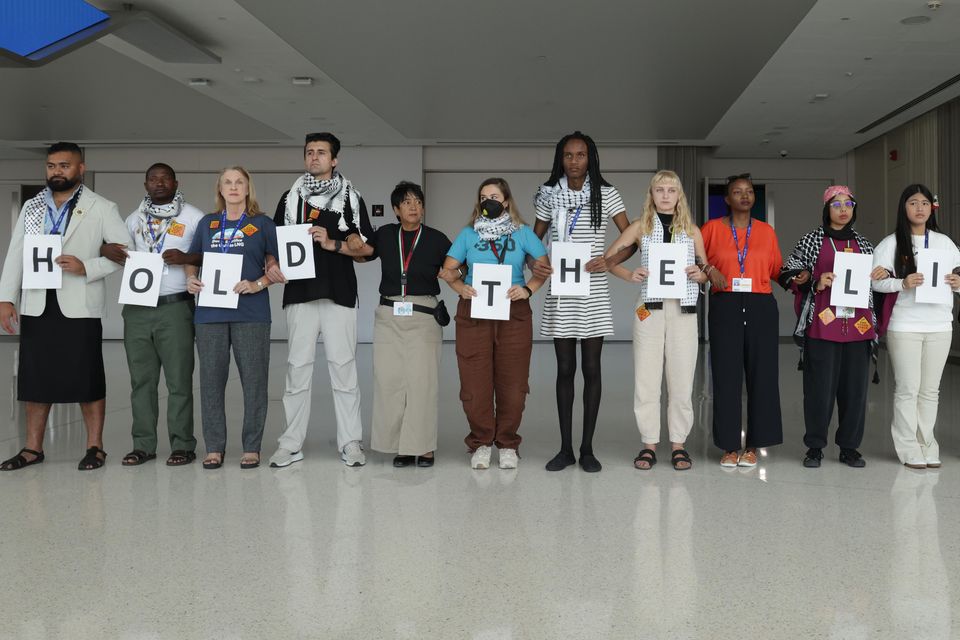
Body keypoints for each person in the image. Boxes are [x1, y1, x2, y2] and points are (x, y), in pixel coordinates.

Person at [0, 142, 129, 471]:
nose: (57, 171)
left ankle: (95, 447)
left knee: (87, 376)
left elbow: (125, 252)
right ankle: (32, 448)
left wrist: (87, 266)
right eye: (51, 166)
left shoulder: (101, 207)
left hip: (79, 305)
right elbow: (16, 253)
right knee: (35, 377)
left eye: (64, 165)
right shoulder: (32, 208)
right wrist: (6, 298)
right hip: (38, 303)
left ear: (80, 169)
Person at [265, 132, 374, 468]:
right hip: (299, 293)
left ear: (334, 160)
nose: (314, 157)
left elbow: (368, 250)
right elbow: (273, 242)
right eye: (309, 152)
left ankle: (351, 443)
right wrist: (271, 264)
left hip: (339, 294)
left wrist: (333, 244)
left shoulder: (352, 198)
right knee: (297, 369)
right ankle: (290, 444)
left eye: (322, 153)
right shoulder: (290, 198)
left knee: (344, 369)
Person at [532, 131, 631, 473]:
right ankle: (565, 449)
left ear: (591, 158)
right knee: (564, 370)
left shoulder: (607, 193)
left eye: (581, 155)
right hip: (561, 289)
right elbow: (535, 239)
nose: (574, 161)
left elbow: (630, 236)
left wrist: (612, 259)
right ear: (560, 159)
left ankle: (587, 448)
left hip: (593, 289)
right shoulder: (548, 194)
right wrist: (534, 262)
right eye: (568, 155)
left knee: (592, 369)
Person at [99, 163, 205, 467]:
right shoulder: (133, 219)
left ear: (175, 182)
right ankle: (143, 445)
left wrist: (187, 258)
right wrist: (106, 249)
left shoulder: (193, 217)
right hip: (137, 309)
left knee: (179, 381)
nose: (159, 183)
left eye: (165, 179)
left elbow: (211, 252)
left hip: (175, 306)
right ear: (145, 185)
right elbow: (118, 251)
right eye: (153, 180)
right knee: (141, 381)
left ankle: (183, 445)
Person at [443, 178, 549, 470]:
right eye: (482, 196)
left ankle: (507, 443)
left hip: (513, 312)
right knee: (474, 383)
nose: (487, 200)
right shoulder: (468, 234)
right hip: (474, 311)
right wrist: (459, 287)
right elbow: (449, 270)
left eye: (493, 195)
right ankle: (480, 442)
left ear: (505, 201)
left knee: (513, 383)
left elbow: (544, 269)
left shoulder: (524, 233)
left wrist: (528, 289)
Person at [605, 171, 708, 470]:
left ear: (679, 196)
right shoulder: (640, 227)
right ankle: (649, 443)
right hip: (648, 310)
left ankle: (678, 444)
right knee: (647, 380)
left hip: (683, 309)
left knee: (681, 378)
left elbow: (705, 269)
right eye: (659, 190)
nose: (665, 195)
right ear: (651, 194)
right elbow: (607, 258)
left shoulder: (692, 230)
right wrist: (628, 274)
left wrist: (699, 274)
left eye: (671, 190)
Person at [779, 186, 883, 469]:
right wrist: (813, 281)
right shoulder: (812, 240)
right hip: (823, 325)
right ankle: (814, 447)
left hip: (859, 326)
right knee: (818, 390)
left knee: (855, 392)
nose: (843, 209)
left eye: (848, 204)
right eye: (836, 205)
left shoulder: (865, 244)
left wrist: (882, 273)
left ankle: (849, 447)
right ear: (827, 209)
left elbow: (880, 281)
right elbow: (789, 271)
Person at [185, 167, 278, 470]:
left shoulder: (262, 224)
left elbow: (275, 266)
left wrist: (258, 284)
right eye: (228, 182)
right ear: (220, 190)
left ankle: (251, 447)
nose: (234, 187)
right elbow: (193, 259)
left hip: (251, 313)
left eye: (239, 182)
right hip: (210, 313)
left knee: (254, 382)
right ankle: (214, 447)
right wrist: (191, 279)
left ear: (248, 188)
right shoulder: (208, 223)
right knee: (211, 382)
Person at [871, 184, 960, 469]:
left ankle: (927, 443)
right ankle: (908, 447)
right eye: (913, 203)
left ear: (931, 208)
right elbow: (875, 281)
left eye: (924, 203)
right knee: (908, 388)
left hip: (940, 325)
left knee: (930, 390)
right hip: (905, 324)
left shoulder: (945, 243)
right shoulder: (891, 243)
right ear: (904, 207)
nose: (919, 208)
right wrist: (901, 282)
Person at [368, 181, 453, 467]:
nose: (413, 206)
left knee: (422, 382)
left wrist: (457, 272)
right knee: (389, 381)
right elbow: (362, 253)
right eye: (406, 202)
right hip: (389, 314)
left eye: (417, 201)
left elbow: (461, 263)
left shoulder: (437, 239)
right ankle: (400, 446)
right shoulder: (384, 235)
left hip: (424, 315)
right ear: (396, 209)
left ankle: (424, 446)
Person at [702, 173, 784, 467]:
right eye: (737, 192)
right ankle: (728, 446)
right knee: (726, 376)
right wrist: (710, 269)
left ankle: (754, 445)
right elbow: (697, 258)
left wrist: (797, 277)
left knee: (762, 376)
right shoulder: (710, 229)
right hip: (725, 303)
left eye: (749, 191)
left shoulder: (765, 231)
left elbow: (776, 268)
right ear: (727, 199)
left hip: (761, 304)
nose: (745, 196)